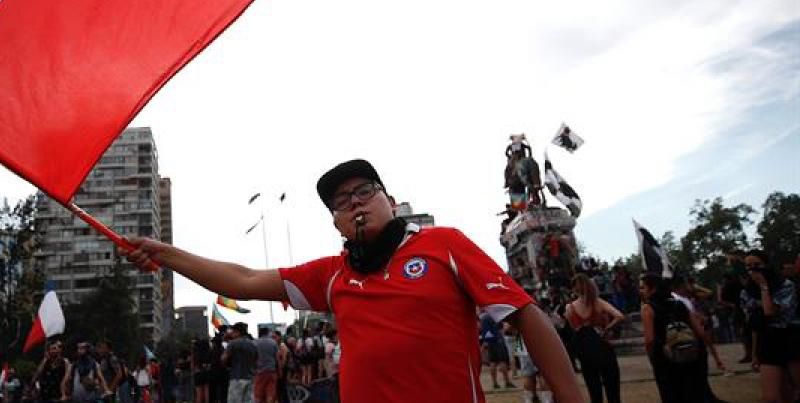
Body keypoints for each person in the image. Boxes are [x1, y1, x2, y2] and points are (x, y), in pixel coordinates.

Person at [122, 159, 583, 403]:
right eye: (342, 202)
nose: (355, 202)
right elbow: (243, 280)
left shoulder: (443, 244)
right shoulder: (332, 274)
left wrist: (569, 396)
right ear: (337, 223)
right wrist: (167, 254)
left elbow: (525, 314)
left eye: (365, 191)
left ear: (391, 200)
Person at [639, 273, 707, 403]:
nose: (640, 291)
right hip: (688, 354)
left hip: (664, 357)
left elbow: (649, 340)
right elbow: (700, 332)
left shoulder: (647, 308)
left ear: (653, 288)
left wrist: (651, 357)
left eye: (643, 287)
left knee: (670, 393)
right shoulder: (679, 304)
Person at [745, 250, 799, 403]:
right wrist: (754, 354)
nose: (753, 270)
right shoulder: (748, 291)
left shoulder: (785, 285)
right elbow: (755, 325)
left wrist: (763, 285)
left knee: (793, 390)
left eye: (757, 265)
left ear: (766, 265)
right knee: (770, 397)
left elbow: (769, 311)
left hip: (791, 338)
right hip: (768, 340)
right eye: (748, 266)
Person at [565, 273, 623, 403]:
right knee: (612, 388)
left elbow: (574, 328)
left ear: (574, 288)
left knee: (594, 389)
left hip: (585, 349)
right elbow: (619, 316)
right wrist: (607, 328)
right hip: (602, 345)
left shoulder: (570, 308)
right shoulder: (598, 302)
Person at [478, 310, 514, 390]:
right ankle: (507, 382)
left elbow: (481, 329)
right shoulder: (494, 316)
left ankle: (495, 383)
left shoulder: (483, 318)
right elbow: (501, 329)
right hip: (498, 341)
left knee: (493, 362)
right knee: (502, 361)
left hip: (489, 342)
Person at [221, 324, 254, 403]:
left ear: (237, 332)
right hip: (250, 377)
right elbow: (256, 360)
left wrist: (226, 365)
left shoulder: (233, 343)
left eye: (233, 332)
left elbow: (223, 358)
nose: (232, 333)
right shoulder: (252, 344)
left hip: (236, 377)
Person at [251, 327, 277, 403]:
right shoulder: (273, 342)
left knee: (258, 393)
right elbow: (277, 358)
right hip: (271, 371)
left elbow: (253, 357)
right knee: (270, 393)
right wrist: (279, 370)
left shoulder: (255, 343)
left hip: (259, 372)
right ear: (267, 333)